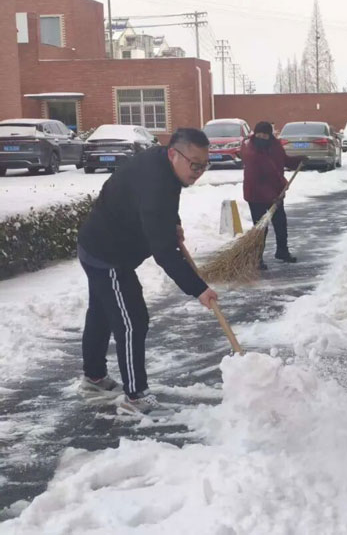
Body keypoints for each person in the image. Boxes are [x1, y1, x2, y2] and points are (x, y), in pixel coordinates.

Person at [76, 128, 218, 416]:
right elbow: (165, 253)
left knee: (102, 312)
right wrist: (199, 289)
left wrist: (173, 222)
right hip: (108, 255)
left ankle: (94, 378)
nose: (199, 172)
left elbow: (166, 201)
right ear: (173, 154)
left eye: (205, 165)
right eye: (195, 165)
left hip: (99, 244)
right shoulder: (156, 185)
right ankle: (136, 396)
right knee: (132, 321)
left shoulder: (163, 164)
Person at [241, 121, 306, 269]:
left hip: (275, 193)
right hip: (255, 195)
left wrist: (298, 160)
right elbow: (256, 179)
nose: (261, 137)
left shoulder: (275, 146)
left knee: (280, 223)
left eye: (265, 135)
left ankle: (282, 251)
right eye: (259, 134)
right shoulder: (251, 151)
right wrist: (273, 196)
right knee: (261, 228)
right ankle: (257, 258)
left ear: (269, 135)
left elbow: (283, 161)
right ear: (255, 134)